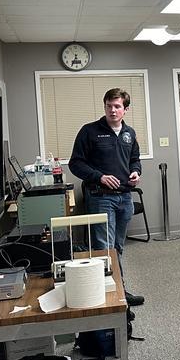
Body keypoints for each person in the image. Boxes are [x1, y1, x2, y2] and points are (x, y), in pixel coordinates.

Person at [69, 88, 145, 306]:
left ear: (126, 109)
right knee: (104, 247)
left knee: (118, 246)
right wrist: (100, 176)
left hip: (124, 197)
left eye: (117, 106)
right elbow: (76, 163)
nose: (113, 110)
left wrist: (136, 172)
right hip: (100, 197)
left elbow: (135, 159)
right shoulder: (90, 131)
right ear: (105, 107)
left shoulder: (129, 133)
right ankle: (110, 295)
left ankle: (118, 289)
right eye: (109, 106)